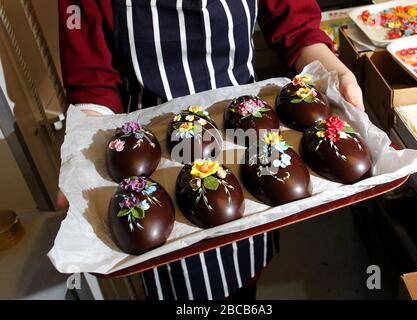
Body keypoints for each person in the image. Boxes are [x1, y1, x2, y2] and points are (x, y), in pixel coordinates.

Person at [57, 0, 364, 300]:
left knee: (244, 260)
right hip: (158, 156)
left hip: (244, 134)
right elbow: (92, 83)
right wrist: (81, 155)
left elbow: (296, 26)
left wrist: (335, 73)